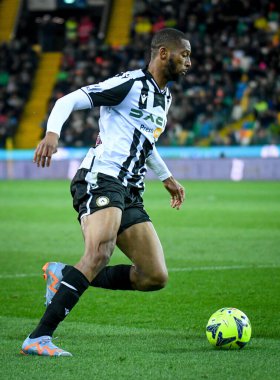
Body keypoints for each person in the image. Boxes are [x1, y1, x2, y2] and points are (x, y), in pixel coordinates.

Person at [21, 28, 191, 356]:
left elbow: (146, 141)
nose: (189, 61)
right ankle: (39, 337)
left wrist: (167, 177)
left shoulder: (165, 97)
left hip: (130, 189)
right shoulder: (129, 84)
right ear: (163, 54)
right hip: (101, 177)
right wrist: (52, 134)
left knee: (154, 276)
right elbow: (67, 100)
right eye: (184, 54)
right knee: (100, 251)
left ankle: (64, 276)